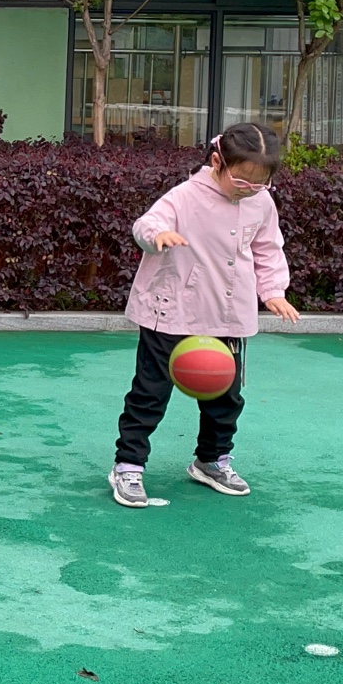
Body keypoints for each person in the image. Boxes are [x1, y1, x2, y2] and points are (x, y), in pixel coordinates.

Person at [110, 122, 300, 508]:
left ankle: (211, 460)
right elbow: (146, 224)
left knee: (225, 397)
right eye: (241, 180)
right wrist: (157, 237)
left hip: (227, 316)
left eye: (260, 183)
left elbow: (267, 248)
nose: (248, 189)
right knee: (149, 394)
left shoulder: (262, 202)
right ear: (217, 162)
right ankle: (128, 464)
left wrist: (273, 291)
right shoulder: (185, 196)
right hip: (170, 311)